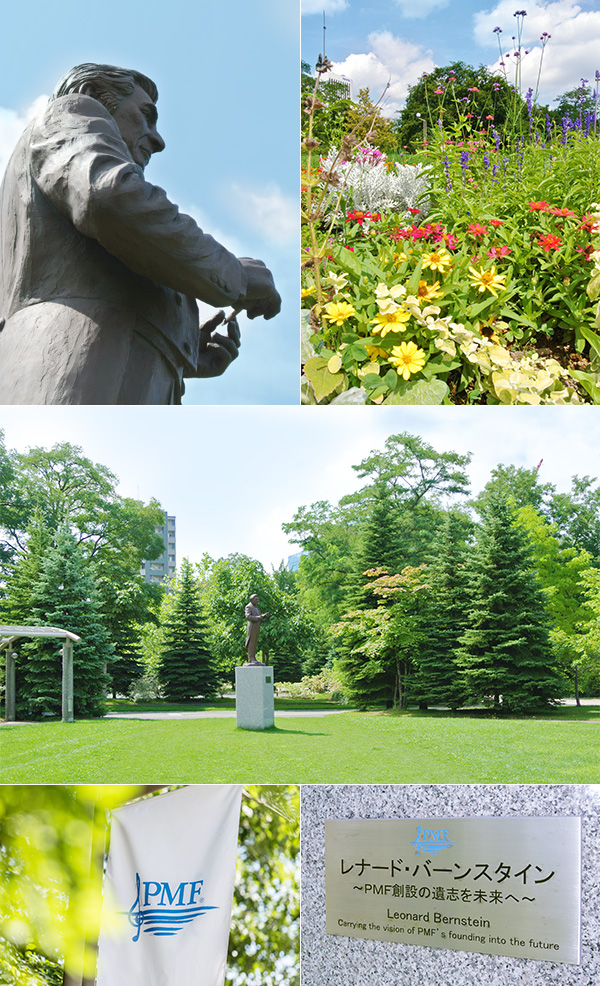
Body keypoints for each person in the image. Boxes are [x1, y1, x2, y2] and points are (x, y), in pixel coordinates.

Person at [0, 63, 281, 404]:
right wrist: (234, 275)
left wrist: (180, 353)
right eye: (146, 115)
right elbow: (108, 195)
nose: (158, 140)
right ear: (90, 95)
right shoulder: (74, 110)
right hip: (67, 358)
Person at [244, 594, 269, 666]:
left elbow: (258, 617)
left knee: (254, 642)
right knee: (251, 642)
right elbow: (248, 616)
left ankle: (253, 657)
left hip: (256, 627)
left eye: (258, 599)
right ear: (251, 599)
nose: (257, 600)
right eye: (256, 599)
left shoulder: (256, 608)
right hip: (252, 627)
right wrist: (259, 617)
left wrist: (263, 617)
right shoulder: (249, 606)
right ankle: (251, 658)